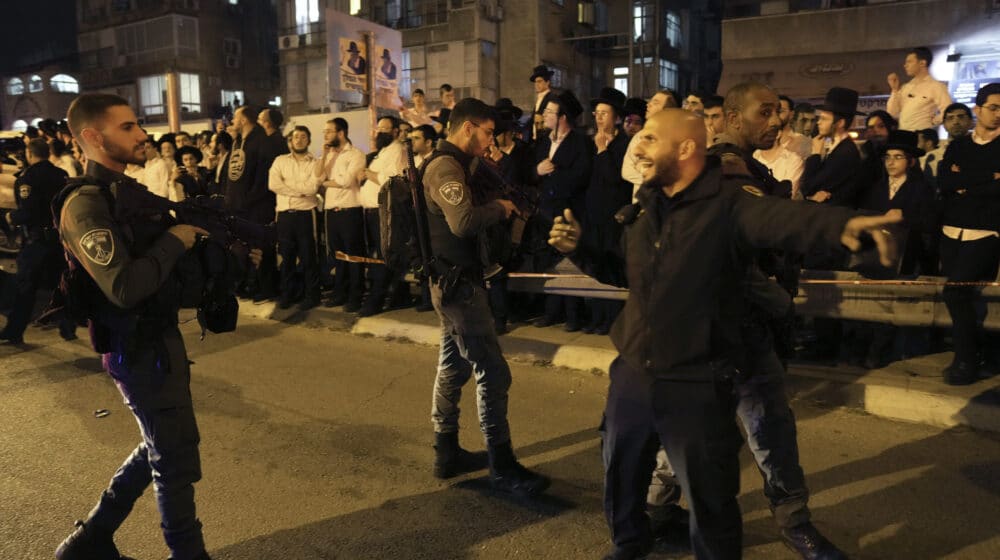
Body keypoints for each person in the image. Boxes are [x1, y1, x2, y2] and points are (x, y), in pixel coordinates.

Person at [547, 108, 899, 560]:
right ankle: (629, 546)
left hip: (697, 380)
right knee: (622, 478)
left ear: (685, 148)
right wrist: (581, 249)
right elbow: (627, 274)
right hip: (633, 374)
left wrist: (842, 225)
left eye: (651, 137)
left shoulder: (729, 206)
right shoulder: (647, 207)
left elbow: (783, 219)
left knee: (711, 501)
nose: (638, 145)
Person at [53, 92, 231, 560]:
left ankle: (89, 541)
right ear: (93, 137)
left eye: (137, 124)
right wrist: (175, 241)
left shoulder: (123, 196)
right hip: (134, 348)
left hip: (157, 341)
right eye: (128, 126)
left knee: (166, 444)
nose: (142, 134)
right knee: (174, 458)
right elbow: (125, 287)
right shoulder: (86, 205)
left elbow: (159, 277)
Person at [422, 97, 550, 497]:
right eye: (488, 132)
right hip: (459, 287)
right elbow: (463, 223)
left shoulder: (460, 164)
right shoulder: (445, 167)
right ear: (468, 128)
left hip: (456, 282)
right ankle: (503, 465)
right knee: (493, 372)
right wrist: (499, 207)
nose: (491, 140)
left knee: (453, 367)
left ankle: (446, 452)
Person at [937, 83, 1000, 385]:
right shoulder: (959, 145)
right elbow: (945, 180)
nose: (998, 114)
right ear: (978, 109)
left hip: (986, 232)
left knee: (956, 292)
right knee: (965, 296)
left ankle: (965, 360)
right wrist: (988, 177)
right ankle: (983, 354)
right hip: (952, 231)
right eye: (993, 108)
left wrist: (966, 182)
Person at [0, 138, 73, 345]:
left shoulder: (28, 178)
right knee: (63, 286)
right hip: (59, 241)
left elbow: (28, 212)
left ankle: (14, 331)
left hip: (37, 242)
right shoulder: (61, 175)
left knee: (25, 289)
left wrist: (10, 218)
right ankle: (68, 327)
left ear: (30, 154)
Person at [533, 90, 592, 331]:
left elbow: (581, 176)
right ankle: (551, 312)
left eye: (550, 112)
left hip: (569, 210)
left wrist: (554, 174)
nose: (545, 115)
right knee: (549, 262)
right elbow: (531, 172)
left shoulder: (580, 143)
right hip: (546, 211)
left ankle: (574, 316)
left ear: (563, 117)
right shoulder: (543, 142)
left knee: (568, 263)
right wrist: (538, 170)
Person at [584, 87, 630, 335]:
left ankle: (612, 319)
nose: (599, 118)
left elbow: (615, 179)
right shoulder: (592, 142)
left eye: (604, 113)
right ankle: (597, 317)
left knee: (611, 266)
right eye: (597, 113)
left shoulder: (624, 144)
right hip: (594, 215)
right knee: (595, 265)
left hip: (613, 216)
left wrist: (603, 151)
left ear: (617, 117)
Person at [225, 105, 277, 302]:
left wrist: (247, 201)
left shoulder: (262, 141)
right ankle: (246, 284)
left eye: (235, 117)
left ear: (244, 120)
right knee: (242, 248)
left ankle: (265, 287)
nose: (233, 121)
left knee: (260, 248)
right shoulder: (238, 142)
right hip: (237, 207)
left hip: (256, 207)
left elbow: (263, 177)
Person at [358, 116, 407, 316]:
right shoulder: (382, 152)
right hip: (371, 212)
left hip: (384, 212)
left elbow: (393, 180)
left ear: (395, 131)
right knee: (378, 256)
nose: (380, 133)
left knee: (383, 256)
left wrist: (368, 174)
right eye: (378, 129)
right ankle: (396, 295)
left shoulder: (397, 151)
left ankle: (376, 300)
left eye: (385, 129)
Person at [269, 125, 321, 310]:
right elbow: (273, 185)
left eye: (303, 137)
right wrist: (300, 191)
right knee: (286, 257)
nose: (299, 140)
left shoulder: (315, 162)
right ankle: (287, 295)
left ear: (309, 140)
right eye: (296, 137)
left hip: (306, 214)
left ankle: (312, 296)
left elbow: (313, 188)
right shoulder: (280, 160)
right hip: (284, 215)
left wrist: (289, 187)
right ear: (290, 141)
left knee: (308, 257)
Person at [317, 117, 365, 311]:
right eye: (324, 132)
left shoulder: (355, 154)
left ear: (341, 133)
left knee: (353, 256)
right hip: (331, 211)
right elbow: (317, 176)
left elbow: (346, 181)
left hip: (349, 211)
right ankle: (340, 293)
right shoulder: (329, 155)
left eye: (329, 131)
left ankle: (356, 296)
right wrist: (323, 155)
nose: (325, 135)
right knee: (337, 256)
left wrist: (325, 183)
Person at [622, 89, 679, 199]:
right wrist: (650, 179)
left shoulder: (675, 137)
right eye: (650, 101)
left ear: (666, 110)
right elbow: (626, 171)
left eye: (655, 102)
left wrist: (646, 172)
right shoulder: (639, 136)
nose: (648, 105)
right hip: (641, 200)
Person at [887, 46, 953, 131]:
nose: (905, 65)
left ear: (922, 63)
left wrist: (932, 123)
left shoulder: (937, 86)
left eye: (909, 62)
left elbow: (948, 111)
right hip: (904, 134)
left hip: (923, 135)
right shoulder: (905, 87)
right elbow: (892, 112)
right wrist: (894, 90)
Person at [529, 65, 559, 142]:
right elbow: (532, 120)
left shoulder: (552, 98)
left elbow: (553, 122)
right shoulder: (539, 99)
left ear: (547, 82)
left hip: (546, 140)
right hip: (535, 140)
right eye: (535, 82)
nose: (536, 84)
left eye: (539, 81)